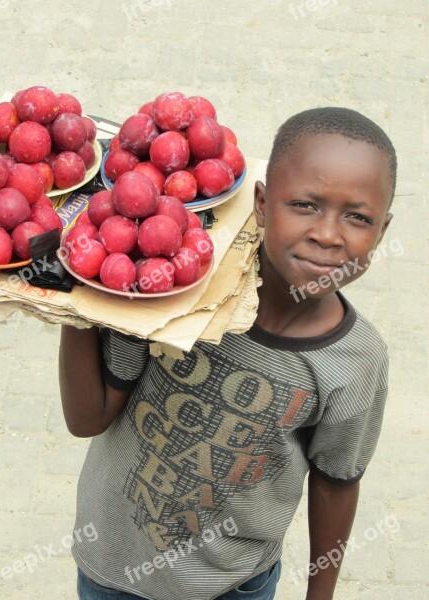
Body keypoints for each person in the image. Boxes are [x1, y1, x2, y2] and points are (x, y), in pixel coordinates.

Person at [59, 107, 397, 600]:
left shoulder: (356, 361)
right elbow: (88, 418)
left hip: (234, 584)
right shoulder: (175, 290)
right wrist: (79, 296)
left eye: (357, 217)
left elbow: (336, 483)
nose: (328, 233)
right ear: (261, 203)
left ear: (382, 232)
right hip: (114, 569)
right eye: (304, 204)